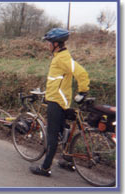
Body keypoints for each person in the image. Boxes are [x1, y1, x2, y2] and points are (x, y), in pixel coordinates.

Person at [29, 28, 90, 177]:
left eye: (49, 43)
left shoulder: (62, 58)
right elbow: (57, 81)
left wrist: (83, 91)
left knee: (52, 135)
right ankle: (67, 161)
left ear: (56, 43)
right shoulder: (59, 57)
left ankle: (45, 168)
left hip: (57, 102)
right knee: (64, 132)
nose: (47, 45)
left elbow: (81, 73)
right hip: (58, 99)